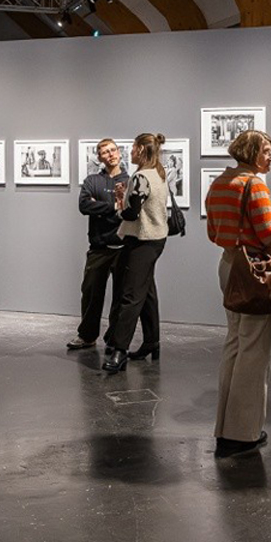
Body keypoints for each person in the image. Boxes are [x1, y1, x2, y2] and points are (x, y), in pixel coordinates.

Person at [206, 130, 271, 458]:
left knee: (234, 344)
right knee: (254, 351)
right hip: (255, 269)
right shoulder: (255, 184)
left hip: (228, 265)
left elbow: (213, 231)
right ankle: (243, 434)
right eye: (266, 150)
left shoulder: (220, 182)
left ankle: (225, 429)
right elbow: (268, 233)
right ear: (251, 152)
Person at [102, 133, 169, 373]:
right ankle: (152, 342)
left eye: (132, 147)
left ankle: (119, 350)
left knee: (130, 296)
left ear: (140, 149)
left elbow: (132, 214)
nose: (129, 151)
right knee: (146, 291)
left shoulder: (141, 176)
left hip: (142, 241)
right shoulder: (159, 172)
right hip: (156, 239)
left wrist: (119, 208)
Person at [67, 139, 129, 352]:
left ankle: (114, 340)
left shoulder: (130, 180)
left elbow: (130, 209)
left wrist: (99, 206)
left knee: (120, 298)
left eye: (112, 150)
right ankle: (87, 336)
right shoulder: (92, 180)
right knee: (91, 293)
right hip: (98, 247)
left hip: (123, 247)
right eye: (105, 152)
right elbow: (84, 205)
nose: (110, 154)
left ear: (119, 153)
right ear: (100, 157)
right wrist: (113, 206)